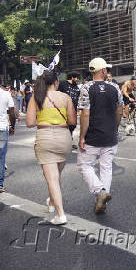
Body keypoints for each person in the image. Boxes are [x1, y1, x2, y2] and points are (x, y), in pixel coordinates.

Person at [25, 71, 76, 224]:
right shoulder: (65, 97)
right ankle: (52, 202)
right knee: (56, 176)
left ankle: (60, 215)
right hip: (64, 138)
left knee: (52, 179)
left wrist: (43, 118)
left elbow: (29, 123)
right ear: (56, 82)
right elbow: (72, 121)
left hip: (45, 137)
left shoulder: (36, 98)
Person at [77, 58, 124, 214]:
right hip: (110, 136)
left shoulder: (86, 87)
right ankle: (102, 199)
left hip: (92, 135)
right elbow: (119, 111)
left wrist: (81, 136)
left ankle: (99, 192)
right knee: (106, 167)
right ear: (103, 71)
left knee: (84, 165)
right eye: (107, 69)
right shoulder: (115, 88)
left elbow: (85, 114)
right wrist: (115, 128)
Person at [0, 83, 16, 193]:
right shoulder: (6, 94)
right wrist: (12, 126)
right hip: (2, 128)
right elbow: (11, 112)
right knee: (1, 157)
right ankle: (0, 185)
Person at [58, 71, 81, 148]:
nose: (78, 80)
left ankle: (69, 140)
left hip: (73, 110)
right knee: (63, 126)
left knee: (72, 126)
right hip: (63, 109)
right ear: (72, 77)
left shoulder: (76, 87)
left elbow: (79, 98)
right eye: (77, 78)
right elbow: (57, 94)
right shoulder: (63, 84)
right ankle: (65, 142)